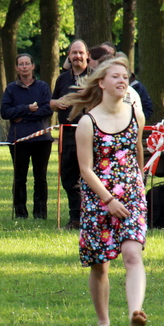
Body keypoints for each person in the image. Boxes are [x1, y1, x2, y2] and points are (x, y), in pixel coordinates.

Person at [62, 56, 147, 326]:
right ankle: (103, 322)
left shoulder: (136, 113)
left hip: (132, 194)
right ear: (101, 82)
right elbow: (85, 169)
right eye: (115, 76)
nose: (122, 80)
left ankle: (135, 311)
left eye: (125, 76)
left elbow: (137, 150)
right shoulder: (88, 122)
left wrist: (140, 183)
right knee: (99, 265)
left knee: (133, 254)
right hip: (100, 198)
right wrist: (109, 201)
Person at [0, 54, 53, 219]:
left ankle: (40, 213)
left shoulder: (43, 87)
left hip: (41, 139)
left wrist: (23, 116)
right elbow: (4, 112)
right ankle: (20, 213)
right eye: (21, 64)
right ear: (16, 68)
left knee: (40, 177)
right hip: (18, 139)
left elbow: (48, 109)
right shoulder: (11, 89)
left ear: (32, 66)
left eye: (27, 63)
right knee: (19, 178)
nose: (24, 67)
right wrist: (28, 108)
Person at [51, 39, 91, 230]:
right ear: (69, 55)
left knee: (92, 176)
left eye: (81, 53)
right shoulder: (62, 79)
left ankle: (93, 217)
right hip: (67, 134)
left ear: (87, 55)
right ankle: (76, 218)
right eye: (74, 53)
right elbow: (51, 102)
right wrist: (56, 104)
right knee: (69, 178)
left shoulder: (96, 77)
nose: (77, 56)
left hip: (92, 135)